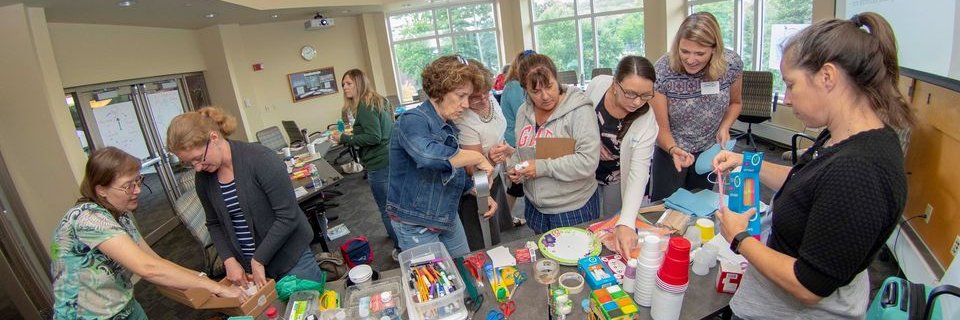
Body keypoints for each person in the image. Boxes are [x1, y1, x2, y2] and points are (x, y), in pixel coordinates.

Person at [712, 12, 913, 319]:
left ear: (827, 77)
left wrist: (740, 239)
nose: (788, 99)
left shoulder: (860, 171)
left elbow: (809, 286)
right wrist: (744, 161)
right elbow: (803, 182)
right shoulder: (840, 136)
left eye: (791, 84)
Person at [51, 147, 245, 319]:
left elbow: (154, 260)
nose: (137, 190)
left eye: (138, 181)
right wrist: (218, 288)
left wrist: (206, 282)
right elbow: (148, 268)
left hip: (125, 306)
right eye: (128, 185)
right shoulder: (87, 218)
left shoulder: (120, 215)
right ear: (101, 189)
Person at [167, 107, 325, 290]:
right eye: (190, 163)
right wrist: (228, 259)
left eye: (198, 158)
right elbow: (214, 223)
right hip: (250, 267)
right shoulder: (203, 177)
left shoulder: (261, 159)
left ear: (214, 138)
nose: (197, 168)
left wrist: (259, 259)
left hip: (290, 258)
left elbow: (288, 217)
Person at [386, 55, 497, 258]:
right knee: (436, 284)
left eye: (468, 97)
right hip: (416, 222)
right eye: (460, 95)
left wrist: (480, 191)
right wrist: (477, 157)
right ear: (440, 90)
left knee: (465, 265)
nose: (465, 104)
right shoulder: (412, 121)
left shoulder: (449, 127)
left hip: (445, 214)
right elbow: (428, 156)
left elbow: (449, 174)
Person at [649, 12, 743, 201]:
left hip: (708, 151)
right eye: (685, 51)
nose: (691, 60)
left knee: (700, 206)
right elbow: (661, 127)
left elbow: (735, 103)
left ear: (714, 50)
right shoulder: (662, 70)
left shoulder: (731, 65)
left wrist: (725, 127)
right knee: (665, 209)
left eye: (700, 53)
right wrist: (673, 149)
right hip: (671, 151)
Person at [507, 53, 601, 234]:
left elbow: (587, 162)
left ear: (556, 79)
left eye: (549, 86)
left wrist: (541, 167)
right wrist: (515, 166)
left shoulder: (579, 110)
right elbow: (522, 151)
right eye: (535, 91)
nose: (545, 96)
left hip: (573, 207)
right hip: (535, 208)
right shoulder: (522, 112)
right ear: (525, 89)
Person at [331, 69, 398, 259]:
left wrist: (344, 138)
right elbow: (381, 130)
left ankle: (400, 248)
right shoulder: (378, 99)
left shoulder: (365, 106)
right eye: (343, 84)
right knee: (395, 204)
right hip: (390, 157)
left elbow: (373, 136)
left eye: (349, 83)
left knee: (386, 209)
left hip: (379, 163)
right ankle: (400, 238)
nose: (344, 87)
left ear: (359, 83)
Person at [584, 56, 659, 220]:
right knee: (586, 216)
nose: (637, 102)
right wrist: (592, 143)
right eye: (630, 93)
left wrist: (626, 222)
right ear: (615, 84)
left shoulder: (646, 120)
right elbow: (580, 120)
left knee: (614, 218)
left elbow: (639, 172)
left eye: (646, 95)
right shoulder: (598, 85)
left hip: (617, 174)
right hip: (586, 166)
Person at [454, 59, 515, 251]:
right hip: (477, 188)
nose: (484, 100)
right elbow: (472, 169)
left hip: (494, 178)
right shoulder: (464, 118)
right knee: (482, 244)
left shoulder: (490, 101)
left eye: (487, 93)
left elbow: (499, 133)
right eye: (475, 97)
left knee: (495, 236)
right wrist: (491, 158)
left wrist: (506, 150)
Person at [500, 50, 536, 214]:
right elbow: (525, 115)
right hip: (515, 140)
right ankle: (504, 219)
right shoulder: (515, 87)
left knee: (518, 185)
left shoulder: (514, 85)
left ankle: (504, 219)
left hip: (518, 138)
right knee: (517, 185)